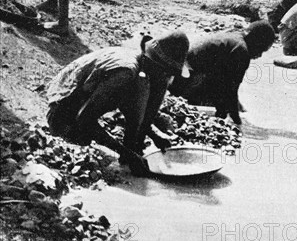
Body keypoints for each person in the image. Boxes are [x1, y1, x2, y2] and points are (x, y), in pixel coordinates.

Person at [46, 30, 190, 176]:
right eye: (166, 72)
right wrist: (126, 153)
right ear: (155, 64)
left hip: (91, 95)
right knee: (80, 142)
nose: (167, 78)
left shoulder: (142, 71)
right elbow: (85, 119)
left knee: (136, 132)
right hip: (64, 103)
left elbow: (137, 110)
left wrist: (154, 134)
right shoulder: (125, 72)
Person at [169, 21, 275, 125]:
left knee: (233, 103)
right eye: (261, 49)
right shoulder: (241, 51)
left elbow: (222, 80)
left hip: (178, 71)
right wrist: (236, 121)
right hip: (185, 78)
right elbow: (231, 89)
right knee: (229, 103)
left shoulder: (235, 36)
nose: (260, 55)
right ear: (255, 40)